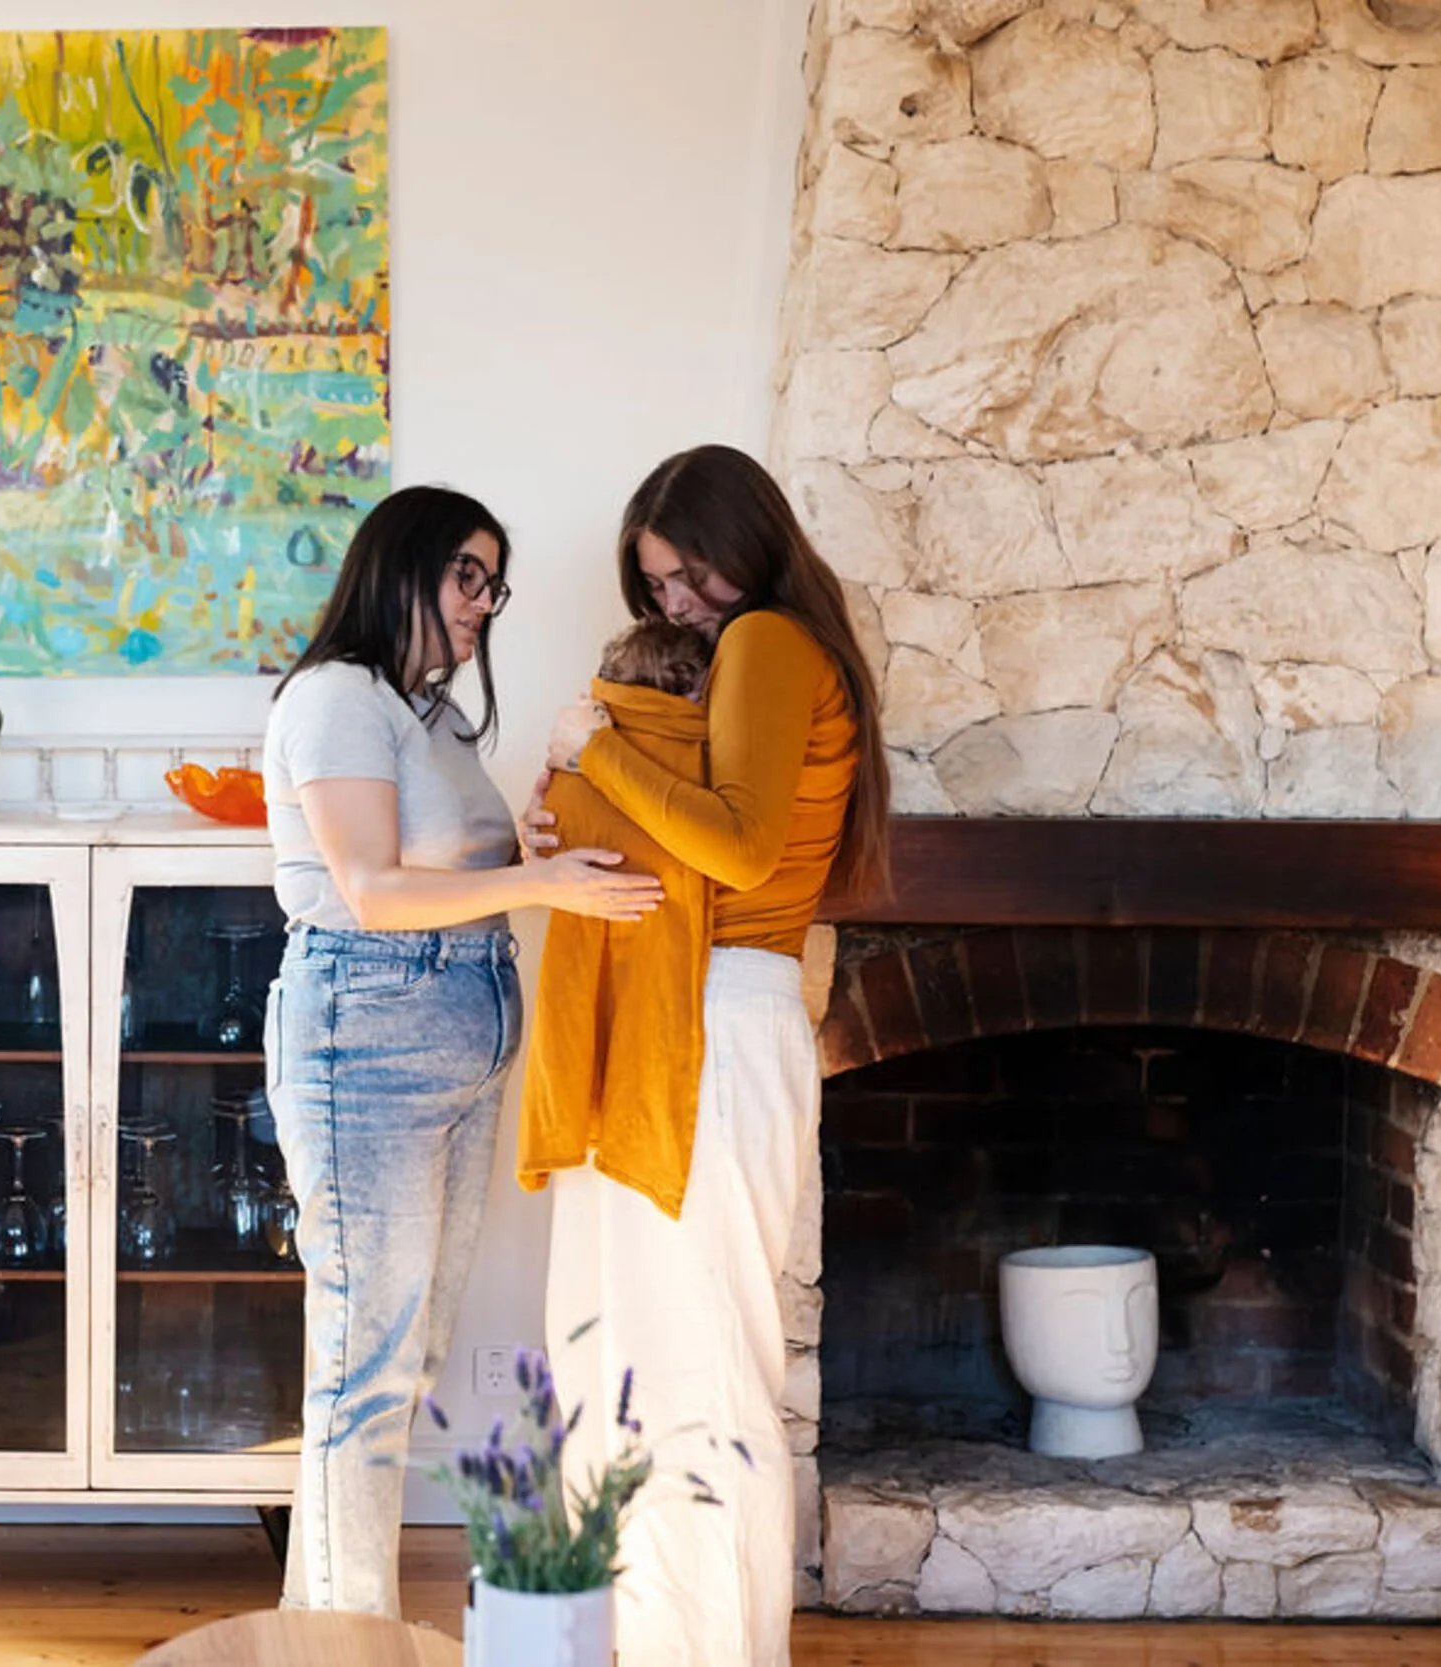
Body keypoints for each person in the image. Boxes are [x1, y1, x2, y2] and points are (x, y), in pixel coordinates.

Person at [261, 483, 665, 1618]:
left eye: (494, 582)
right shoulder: (339, 698)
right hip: (368, 1029)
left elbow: (455, 860)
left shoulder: (424, 710)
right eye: (467, 575)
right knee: (364, 1367)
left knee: (399, 1359)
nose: (486, 601)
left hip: (461, 1027)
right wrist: (538, 882)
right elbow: (372, 887)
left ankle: (323, 1634)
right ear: (403, 567)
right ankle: (352, 1641)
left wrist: (532, 833)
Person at [535, 444, 890, 1667]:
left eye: (690, 573)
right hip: (693, 1011)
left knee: (696, 1365)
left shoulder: (772, 643)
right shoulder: (766, 648)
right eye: (657, 586)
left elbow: (737, 851)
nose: (677, 604)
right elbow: (705, 826)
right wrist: (573, 814)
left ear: (749, 538)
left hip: (717, 1022)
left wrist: (595, 752)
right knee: (640, 1353)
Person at [517, 617, 719, 1217]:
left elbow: (543, 846)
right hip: (683, 998)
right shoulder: (699, 770)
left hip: (581, 991)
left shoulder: (570, 772)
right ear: (694, 692)